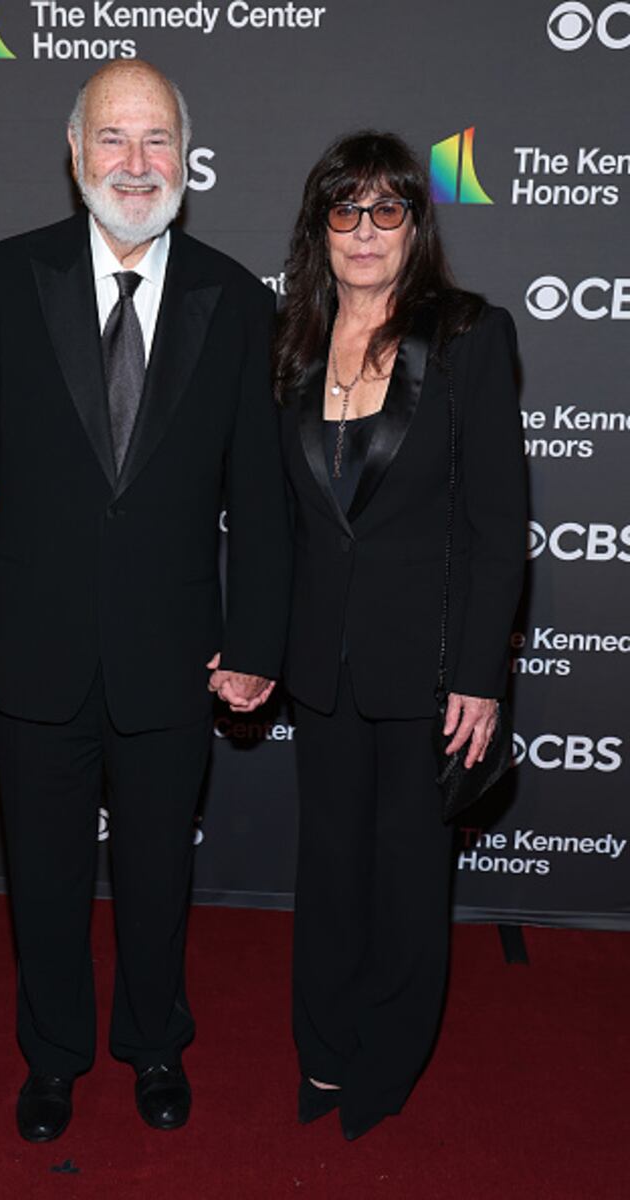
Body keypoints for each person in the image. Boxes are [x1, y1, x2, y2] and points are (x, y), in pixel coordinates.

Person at [0, 61, 290, 1142]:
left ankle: (155, 1044)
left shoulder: (237, 299)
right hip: (30, 650)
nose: (136, 163)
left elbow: (261, 495)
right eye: (114, 138)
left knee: (160, 876)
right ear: (75, 153)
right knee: (42, 876)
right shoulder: (0, 278)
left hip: (175, 654)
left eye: (157, 139)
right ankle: (53, 1058)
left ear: (187, 158)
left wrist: (255, 638)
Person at [274, 131, 527, 1141]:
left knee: (411, 879)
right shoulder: (288, 343)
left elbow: (497, 522)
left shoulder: (467, 335)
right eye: (346, 210)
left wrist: (480, 673)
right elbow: (276, 518)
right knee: (329, 868)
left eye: (388, 209)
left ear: (415, 226)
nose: (366, 231)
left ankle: (386, 1060)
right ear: (320, 228)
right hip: (320, 662)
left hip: (428, 666)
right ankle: (324, 1047)